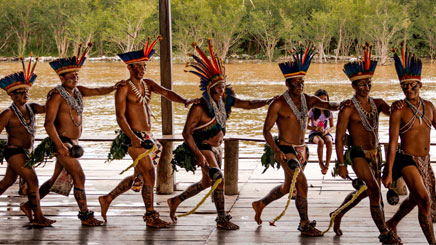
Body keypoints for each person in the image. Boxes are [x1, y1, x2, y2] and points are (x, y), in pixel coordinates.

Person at [167, 40, 275, 230]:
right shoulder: (199, 107)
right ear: (209, 88)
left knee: (207, 181)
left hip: (217, 147)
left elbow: (247, 104)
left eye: (223, 87)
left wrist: (268, 101)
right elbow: (186, 133)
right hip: (203, 147)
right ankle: (222, 218)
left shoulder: (225, 101)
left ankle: (175, 201)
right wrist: (198, 154)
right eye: (217, 88)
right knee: (219, 178)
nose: (221, 90)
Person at [98, 35, 197, 228]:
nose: (142, 70)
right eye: (139, 67)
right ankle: (151, 216)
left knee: (141, 177)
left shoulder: (148, 84)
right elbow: (120, 117)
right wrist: (133, 137)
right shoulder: (124, 88)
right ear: (130, 68)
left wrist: (185, 100)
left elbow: (167, 93)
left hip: (147, 137)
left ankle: (107, 198)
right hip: (133, 138)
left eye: (144, 67)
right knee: (150, 174)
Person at [23, 43, 124, 226]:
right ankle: (85, 216)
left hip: (71, 141)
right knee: (79, 176)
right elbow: (48, 123)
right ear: (62, 78)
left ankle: (30, 205)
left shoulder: (79, 91)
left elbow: (97, 91)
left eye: (76, 75)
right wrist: (60, 146)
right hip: (61, 142)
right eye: (70, 77)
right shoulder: (56, 96)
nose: (74, 78)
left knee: (55, 179)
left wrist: (113, 87)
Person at [251, 43, 341, 236]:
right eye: (296, 83)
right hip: (285, 149)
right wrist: (276, 150)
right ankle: (305, 223)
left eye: (302, 82)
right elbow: (266, 130)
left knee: (287, 187)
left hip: (301, 150)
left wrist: (347, 103)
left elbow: (329, 105)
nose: (300, 86)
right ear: (287, 84)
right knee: (302, 184)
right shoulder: (278, 104)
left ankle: (260, 204)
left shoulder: (308, 99)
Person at [333, 43, 401, 243]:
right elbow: (338, 138)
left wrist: (398, 105)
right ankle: (384, 233)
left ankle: (337, 214)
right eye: (361, 84)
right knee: (373, 188)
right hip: (357, 154)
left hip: (375, 153)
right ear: (353, 86)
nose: (366, 87)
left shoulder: (378, 103)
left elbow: (392, 112)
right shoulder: (348, 109)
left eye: (369, 83)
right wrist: (341, 164)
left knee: (365, 191)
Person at [382, 45, 436, 243]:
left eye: (413, 85)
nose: (409, 89)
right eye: (405, 86)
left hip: (424, 160)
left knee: (415, 197)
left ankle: (392, 222)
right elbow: (393, 143)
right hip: (405, 160)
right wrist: (388, 172)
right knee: (424, 200)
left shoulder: (429, 107)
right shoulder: (398, 110)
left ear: (420, 85)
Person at [0, 56, 55, 227]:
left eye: (26, 92)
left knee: (7, 182)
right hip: (14, 151)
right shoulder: (8, 113)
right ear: (12, 96)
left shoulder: (32, 108)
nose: (25, 95)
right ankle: (38, 216)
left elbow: (49, 108)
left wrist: (54, 96)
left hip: (26, 152)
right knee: (33, 181)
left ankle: (34, 212)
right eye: (21, 93)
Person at [307, 89, 334, 175]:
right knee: (321, 142)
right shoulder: (312, 111)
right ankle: (321, 163)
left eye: (325, 99)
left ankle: (327, 164)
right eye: (320, 99)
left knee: (329, 141)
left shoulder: (329, 111)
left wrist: (327, 131)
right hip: (314, 133)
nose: (323, 102)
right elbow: (305, 126)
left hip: (325, 132)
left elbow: (332, 126)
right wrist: (315, 128)